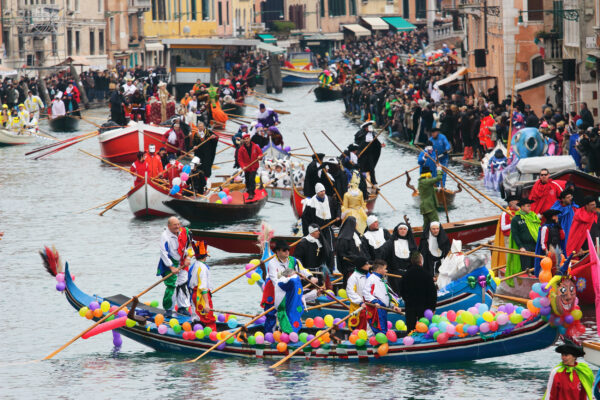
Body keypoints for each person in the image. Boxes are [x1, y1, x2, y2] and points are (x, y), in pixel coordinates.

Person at [261, 240, 317, 333]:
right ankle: (269, 337)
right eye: (284, 250)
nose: (287, 252)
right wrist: (289, 274)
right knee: (272, 315)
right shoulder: (272, 263)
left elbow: (303, 270)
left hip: (289, 289)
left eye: (288, 250)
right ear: (277, 251)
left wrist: (310, 277)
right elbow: (276, 281)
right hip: (273, 291)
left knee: (290, 311)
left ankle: (289, 332)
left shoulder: (293, 260)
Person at [506, 199, 541, 286]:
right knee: (527, 267)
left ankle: (536, 282)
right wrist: (521, 247)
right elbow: (515, 235)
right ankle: (526, 285)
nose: (530, 207)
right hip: (525, 247)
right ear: (522, 207)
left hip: (535, 246)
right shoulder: (516, 219)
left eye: (530, 205)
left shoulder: (533, 216)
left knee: (536, 266)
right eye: (528, 206)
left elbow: (538, 230)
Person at [157, 217, 187, 317]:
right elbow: (163, 253)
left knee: (182, 283)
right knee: (172, 286)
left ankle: (182, 308)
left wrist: (188, 257)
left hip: (182, 262)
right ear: (169, 226)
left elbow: (190, 244)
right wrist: (171, 267)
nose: (177, 227)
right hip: (170, 263)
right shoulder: (165, 236)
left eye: (179, 224)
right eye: (175, 225)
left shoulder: (183, 232)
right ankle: (168, 309)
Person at [362, 259, 401, 335]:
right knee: (380, 331)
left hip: (383, 309)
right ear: (379, 269)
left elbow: (386, 295)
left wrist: (393, 306)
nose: (386, 271)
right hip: (376, 309)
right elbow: (365, 293)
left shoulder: (382, 279)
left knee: (383, 330)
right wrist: (375, 302)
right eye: (385, 269)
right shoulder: (371, 279)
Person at [400, 251, 437, 331]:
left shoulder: (405, 275)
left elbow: (401, 291)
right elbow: (432, 293)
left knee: (410, 329)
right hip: (424, 306)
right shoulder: (427, 274)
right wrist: (432, 308)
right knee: (423, 328)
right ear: (421, 261)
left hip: (410, 306)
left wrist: (407, 300)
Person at [381, 222, 418, 294]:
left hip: (408, 273)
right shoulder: (390, 243)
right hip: (394, 274)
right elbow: (382, 255)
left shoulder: (411, 243)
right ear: (397, 230)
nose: (403, 231)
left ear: (407, 231)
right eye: (401, 229)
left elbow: (416, 259)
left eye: (404, 229)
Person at [188, 241, 217, 331]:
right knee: (208, 318)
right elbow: (203, 288)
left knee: (197, 316)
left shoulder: (194, 266)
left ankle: (197, 329)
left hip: (194, 294)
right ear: (205, 256)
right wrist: (207, 303)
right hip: (201, 296)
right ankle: (211, 334)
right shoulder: (203, 268)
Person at [293, 223, 332, 288]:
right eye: (317, 231)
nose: (319, 232)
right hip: (308, 273)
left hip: (319, 273)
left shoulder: (320, 242)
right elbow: (297, 259)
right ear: (312, 232)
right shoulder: (303, 243)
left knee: (320, 289)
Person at [336, 216, 369, 285]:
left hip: (359, 265)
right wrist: (356, 259)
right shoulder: (343, 238)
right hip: (350, 266)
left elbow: (360, 248)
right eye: (355, 223)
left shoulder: (355, 234)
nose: (356, 225)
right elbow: (343, 254)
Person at [534, 209, 565, 275]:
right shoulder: (545, 228)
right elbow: (543, 242)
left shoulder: (557, 227)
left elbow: (562, 237)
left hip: (557, 251)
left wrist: (559, 227)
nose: (557, 217)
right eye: (555, 216)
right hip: (549, 253)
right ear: (551, 217)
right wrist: (546, 252)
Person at [355, 120, 384, 185]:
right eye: (368, 127)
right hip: (362, 154)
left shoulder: (373, 134)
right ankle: (361, 182)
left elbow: (377, 142)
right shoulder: (360, 134)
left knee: (371, 168)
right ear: (365, 128)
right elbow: (357, 144)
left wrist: (380, 145)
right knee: (361, 168)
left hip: (370, 154)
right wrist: (358, 153)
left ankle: (374, 182)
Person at [236, 132, 263, 200]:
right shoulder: (241, 149)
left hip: (254, 166)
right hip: (246, 167)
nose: (246, 140)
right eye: (245, 139)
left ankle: (251, 193)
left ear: (250, 139)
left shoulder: (255, 146)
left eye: (247, 139)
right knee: (247, 180)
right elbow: (240, 160)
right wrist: (243, 166)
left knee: (251, 179)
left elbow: (260, 153)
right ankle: (249, 190)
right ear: (244, 140)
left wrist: (260, 157)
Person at [346, 256, 370, 330]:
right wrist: (360, 302)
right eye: (367, 264)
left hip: (370, 306)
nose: (369, 265)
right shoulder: (353, 278)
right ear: (361, 266)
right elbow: (350, 292)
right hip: (360, 308)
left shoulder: (370, 276)